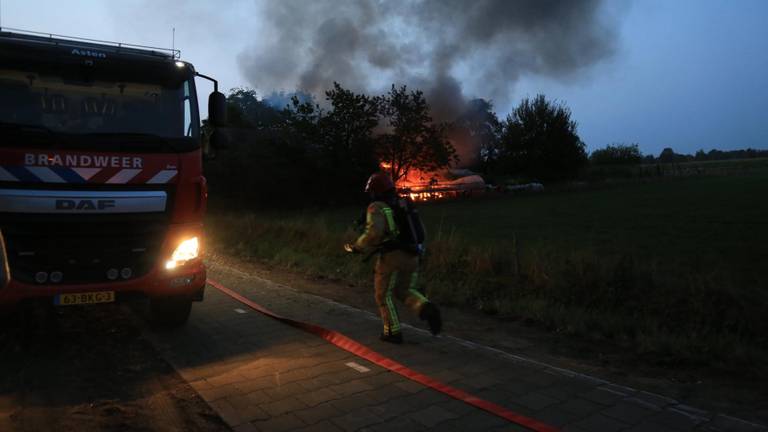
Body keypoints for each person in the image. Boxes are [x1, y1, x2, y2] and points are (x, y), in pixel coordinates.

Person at [344, 172, 442, 344]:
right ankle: (426, 308)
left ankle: (392, 332)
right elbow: (420, 232)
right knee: (404, 290)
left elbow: (374, 234)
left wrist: (357, 247)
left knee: (383, 295)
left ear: (375, 191)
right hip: (413, 254)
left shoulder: (377, 207)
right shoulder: (403, 203)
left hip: (392, 256)